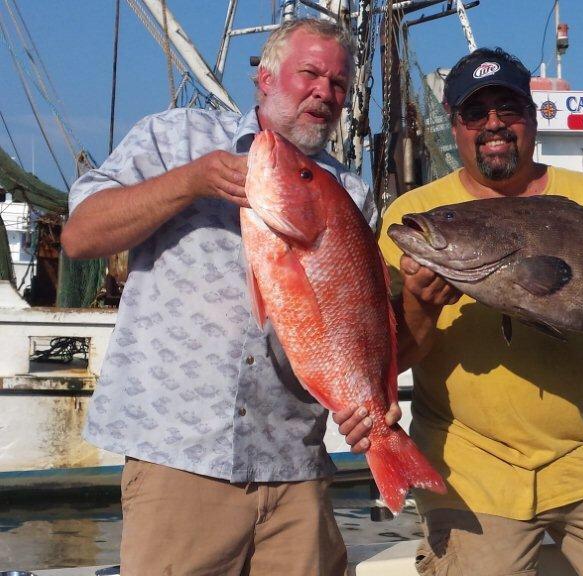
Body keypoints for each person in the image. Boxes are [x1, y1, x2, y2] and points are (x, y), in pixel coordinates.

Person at [340, 47, 583, 575]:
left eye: (510, 109)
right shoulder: (413, 218)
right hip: (470, 467)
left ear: (533, 116)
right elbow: (390, 360)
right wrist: (421, 308)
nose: (493, 125)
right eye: (475, 113)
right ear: (455, 125)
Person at [61, 18, 372, 576]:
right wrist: (190, 182)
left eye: (338, 83)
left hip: (295, 468)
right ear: (266, 78)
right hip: (181, 461)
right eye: (309, 74)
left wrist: (368, 398)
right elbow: (81, 235)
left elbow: (355, 323)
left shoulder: (350, 193)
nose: (324, 92)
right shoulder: (174, 137)